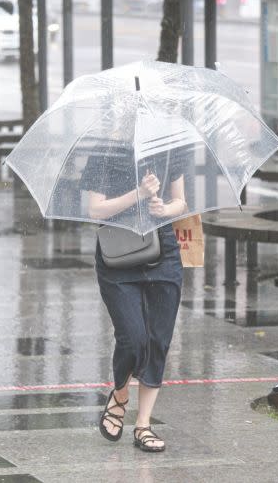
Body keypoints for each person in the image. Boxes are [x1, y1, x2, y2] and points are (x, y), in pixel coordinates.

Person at [82, 146, 188, 453]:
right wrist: (139, 194)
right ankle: (120, 395)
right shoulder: (103, 153)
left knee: (158, 339)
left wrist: (164, 210)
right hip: (118, 252)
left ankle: (143, 424)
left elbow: (180, 201)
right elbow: (95, 210)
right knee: (133, 338)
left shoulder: (169, 149)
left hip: (162, 249)